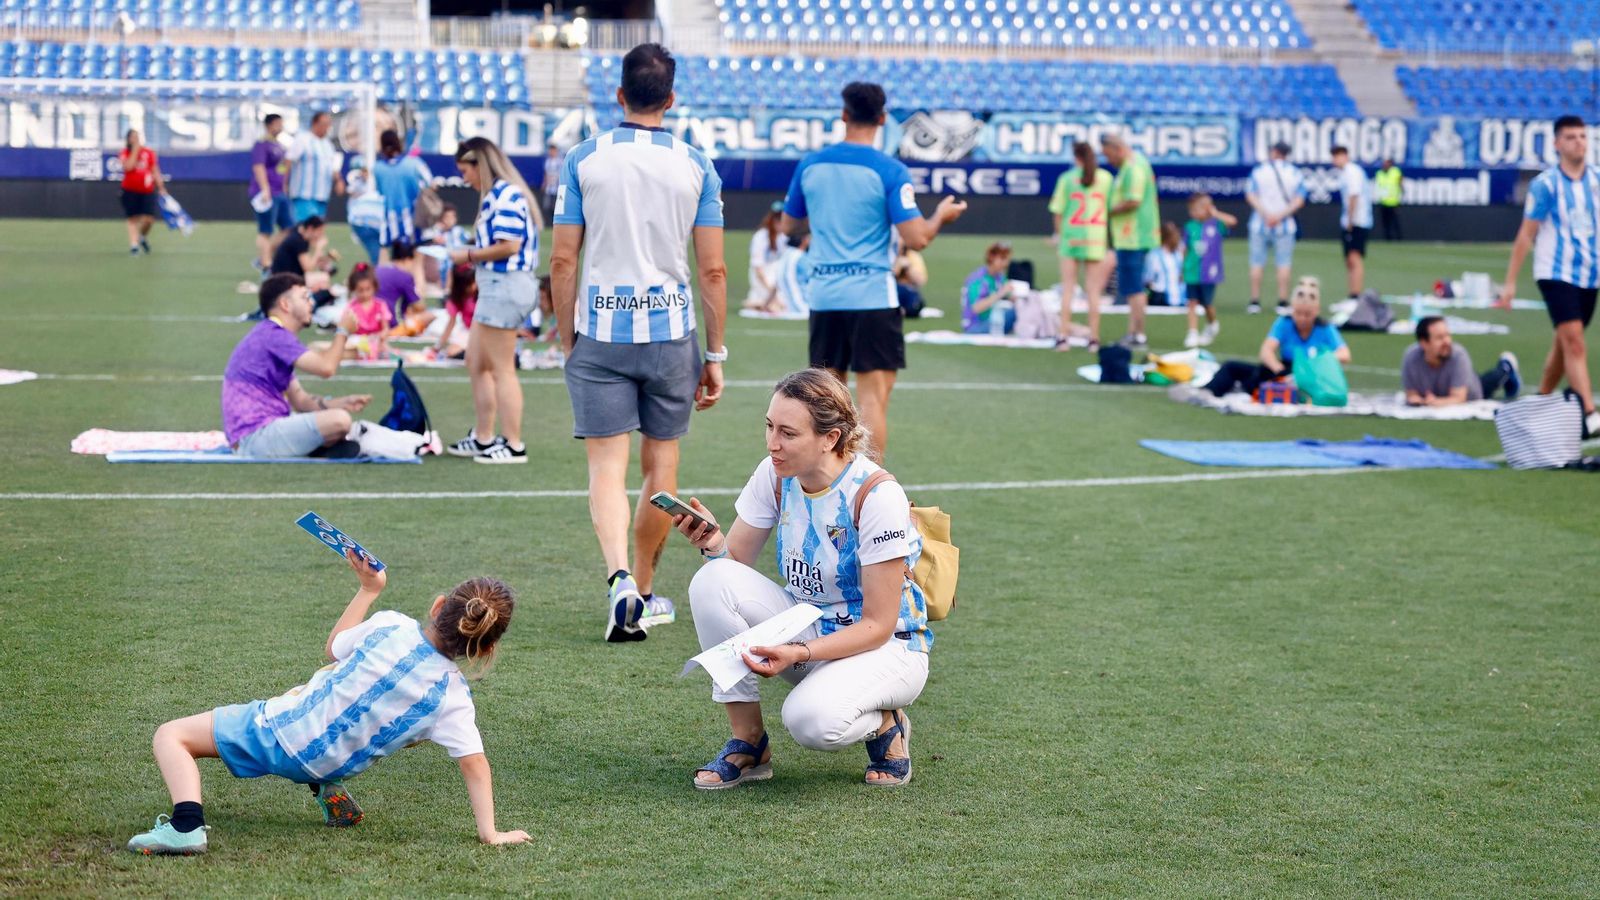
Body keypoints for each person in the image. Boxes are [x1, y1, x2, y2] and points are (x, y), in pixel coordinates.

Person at [124, 550, 529, 854]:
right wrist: (490, 833)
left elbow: (334, 647)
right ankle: (325, 785)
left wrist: (369, 589)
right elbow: (474, 764)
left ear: (438, 606)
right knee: (402, 720)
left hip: (281, 735)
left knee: (171, 735)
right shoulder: (453, 698)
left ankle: (186, 828)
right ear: (485, 648)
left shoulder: (392, 625)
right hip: (337, 761)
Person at [667, 369, 930, 789]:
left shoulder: (877, 495)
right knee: (711, 580)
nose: (773, 443)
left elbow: (879, 625)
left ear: (831, 438)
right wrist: (713, 543)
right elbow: (731, 568)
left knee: (809, 723)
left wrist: (799, 653)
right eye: (770, 427)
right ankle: (748, 742)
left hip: (890, 646)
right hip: (809, 626)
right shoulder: (775, 474)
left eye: (788, 433)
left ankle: (885, 722)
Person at [551, 42, 729, 643]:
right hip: (671, 335)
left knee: (607, 467)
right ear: (671, 100)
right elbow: (712, 272)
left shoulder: (583, 158)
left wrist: (564, 332)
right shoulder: (696, 164)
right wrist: (715, 353)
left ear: (619, 95)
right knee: (662, 467)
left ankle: (618, 579)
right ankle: (648, 592)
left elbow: (561, 258)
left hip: (599, 330)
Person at [781, 80, 966, 460]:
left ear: (844, 115)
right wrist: (941, 217)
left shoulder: (811, 165)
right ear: (882, 119)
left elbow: (789, 226)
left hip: (826, 295)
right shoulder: (890, 170)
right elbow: (916, 238)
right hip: (871, 296)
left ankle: (829, 483)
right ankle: (869, 490)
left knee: (826, 401)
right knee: (872, 401)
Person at [1496, 114, 1600, 436]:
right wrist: (1510, 283)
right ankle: (1589, 413)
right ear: (1556, 144)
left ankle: (1540, 402)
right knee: (1575, 343)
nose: (1578, 142)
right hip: (1555, 272)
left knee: (1564, 344)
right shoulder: (1546, 185)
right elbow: (1526, 235)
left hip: (1589, 273)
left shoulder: (1596, 180)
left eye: (1582, 136)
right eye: (1570, 137)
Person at [446, 136, 542, 464]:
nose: (464, 178)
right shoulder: (497, 196)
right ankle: (484, 436)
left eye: (465, 170)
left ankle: (514, 444)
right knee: (476, 362)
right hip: (497, 286)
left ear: (479, 165)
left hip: (506, 285)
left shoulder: (505, 195)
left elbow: (509, 245)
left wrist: (467, 254)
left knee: (502, 369)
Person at [221, 274, 371, 458]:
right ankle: (318, 447)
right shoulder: (274, 335)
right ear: (285, 304)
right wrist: (343, 331)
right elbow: (326, 368)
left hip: (253, 437)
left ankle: (317, 447)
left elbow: (301, 400)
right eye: (304, 297)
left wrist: (341, 402)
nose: (311, 303)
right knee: (340, 421)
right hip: (254, 439)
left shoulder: (270, 335)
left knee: (338, 418)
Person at [1205, 276, 1349, 397]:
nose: (1302, 319)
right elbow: (1266, 351)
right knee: (1232, 367)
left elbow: (1344, 354)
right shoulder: (1285, 323)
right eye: (1298, 313)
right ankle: (1208, 393)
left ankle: (1245, 389)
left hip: (1312, 375)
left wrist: (1319, 362)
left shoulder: (1325, 328)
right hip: (1283, 370)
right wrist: (1278, 370)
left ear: (1316, 311)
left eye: (1307, 315)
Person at [1048, 140, 1113, 351]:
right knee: (1093, 291)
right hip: (1095, 238)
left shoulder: (1067, 179)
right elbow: (1111, 207)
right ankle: (1093, 338)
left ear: (1076, 158)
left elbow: (1058, 211)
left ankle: (1063, 337)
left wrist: (1059, 235)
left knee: (1068, 288)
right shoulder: (1105, 178)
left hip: (1071, 237)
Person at [1101, 132, 1159, 347]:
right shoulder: (1134, 165)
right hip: (1132, 236)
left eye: (1109, 155)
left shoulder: (1133, 168)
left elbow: (1133, 201)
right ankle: (1133, 331)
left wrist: (1107, 211)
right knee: (1133, 287)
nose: (1109, 161)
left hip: (1133, 236)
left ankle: (1137, 333)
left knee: (1134, 288)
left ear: (1117, 148)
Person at [1245, 141, 1307, 314]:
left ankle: (1255, 301)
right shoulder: (1294, 173)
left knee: (1257, 263)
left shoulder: (1259, 171)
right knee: (1283, 263)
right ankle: (1282, 301)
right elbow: (1299, 200)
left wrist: (1266, 214)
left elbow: (1250, 195)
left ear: (1274, 152)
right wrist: (1280, 215)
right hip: (1285, 224)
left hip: (1260, 223)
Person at [1403, 316, 1521, 406]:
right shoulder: (1411, 357)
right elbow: (1411, 394)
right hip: (1444, 393)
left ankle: (1507, 366)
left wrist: (1435, 402)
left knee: (1493, 379)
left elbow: (1459, 398)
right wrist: (1419, 400)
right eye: (1440, 338)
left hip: (1473, 393)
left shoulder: (1458, 355)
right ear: (1424, 343)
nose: (1447, 341)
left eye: (1447, 335)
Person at [1182, 193, 1237, 348]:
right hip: (1191, 271)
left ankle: (1212, 323)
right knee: (1191, 302)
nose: (1195, 212)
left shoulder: (1216, 225)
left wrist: (1216, 214)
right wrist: (1182, 268)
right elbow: (1185, 249)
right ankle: (1192, 332)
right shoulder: (1189, 227)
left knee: (1207, 303)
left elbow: (1233, 221)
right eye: (1193, 209)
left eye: (1200, 208)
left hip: (1209, 273)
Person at [371, 129, 432, 252]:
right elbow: (430, 183)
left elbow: (379, 191)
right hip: (415, 218)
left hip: (390, 219)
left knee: (392, 258)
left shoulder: (377, 168)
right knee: (416, 257)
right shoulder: (414, 163)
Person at [1330, 146, 1374, 302]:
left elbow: (1353, 196)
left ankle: (1356, 295)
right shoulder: (1347, 172)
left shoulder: (1351, 172)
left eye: (1336, 156)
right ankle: (1352, 293)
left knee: (1355, 257)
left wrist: (1350, 220)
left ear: (1344, 156)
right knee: (1349, 258)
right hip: (1353, 220)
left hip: (1357, 221)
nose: (1334, 160)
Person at [251, 114, 294, 271]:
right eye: (277, 123)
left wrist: (284, 184)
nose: (280, 126)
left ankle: (265, 256)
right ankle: (266, 264)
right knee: (265, 229)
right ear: (269, 125)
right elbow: (258, 166)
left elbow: (282, 167)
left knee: (289, 227)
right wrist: (264, 188)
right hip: (266, 193)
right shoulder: (261, 144)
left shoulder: (280, 145)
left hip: (279, 191)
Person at [286, 110, 345, 223]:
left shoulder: (328, 145)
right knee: (304, 229)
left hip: (322, 195)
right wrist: (283, 183)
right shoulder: (302, 139)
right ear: (315, 123)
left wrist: (339, 181)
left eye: (328, 125)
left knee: (317, 231)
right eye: (324, 124)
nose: (327, 128)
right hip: (304, 195)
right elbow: (288, 161)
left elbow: (333, 168)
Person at [118, 128, 164, 256]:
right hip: (129, 190)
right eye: (133, 137)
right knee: (132, 218)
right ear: (128, 139)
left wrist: (161, 187)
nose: (136, 139)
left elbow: (155, 170)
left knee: (148, 219)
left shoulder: (149, 153)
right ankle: (134, 245)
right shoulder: (125, 153)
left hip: (147, 190)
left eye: (137, 136)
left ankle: (142, 237)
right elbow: (128, 167)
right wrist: (135, 150)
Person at [961, 242, 1016, 334]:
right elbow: (976, 308)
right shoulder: (977, 279)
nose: (1005, 263)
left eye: (1007, 259)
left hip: (993, 320)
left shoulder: (999, 277)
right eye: (1002, 259)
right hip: (975, 326)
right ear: (991, 258)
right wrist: (1000, 293)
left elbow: (1008, 296)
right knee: (1015, 313)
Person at [743, 203, 790, 311]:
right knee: (776, 302)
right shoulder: (761, 237)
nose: (779, 222)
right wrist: (771, 291)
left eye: (782, 219)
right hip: (763, 277)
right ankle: (763, 303)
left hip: (777, 276)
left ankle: (764, 304)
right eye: (777, 219)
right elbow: (758, 269)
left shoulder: (783, 237)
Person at [342, 264, 392, 361]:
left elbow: (386, 328)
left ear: (374, 287)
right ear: (354, 289)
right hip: (357, 340)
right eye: (360, 290)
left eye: (368, 289)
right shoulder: (351, 307)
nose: (365, 294)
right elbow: (346, 328)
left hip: (376, 341)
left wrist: (381, 336)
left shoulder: (380, 305)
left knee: (383, 349)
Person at [430, 262, 477, 361]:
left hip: (484, 330)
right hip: (468, 331)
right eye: (469, 284)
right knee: (451, 351)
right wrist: (437, 346)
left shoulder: (482, 294)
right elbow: (451, 323)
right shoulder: (457, 298)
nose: (473, 286)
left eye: (474, 282)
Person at [270, 216, 336, 280]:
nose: (321, 235)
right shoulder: (298, 241)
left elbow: (307, 259)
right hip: (285, 280)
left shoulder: (300, 234)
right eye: (320, 231)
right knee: (322, 281)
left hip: (287, 276)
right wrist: (318, 249)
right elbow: (308, 268)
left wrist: (321, 260)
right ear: (310, 228)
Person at [344, 164, 386, 265]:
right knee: (376, 253)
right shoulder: (357, 182)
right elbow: (349, 191)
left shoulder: (370, 184)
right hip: (359, 213)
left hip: (371, 218)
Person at [1144, 222, 1183, 307]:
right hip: (1160, 296)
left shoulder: (1179, 254)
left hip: (1179, 296)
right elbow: (1147, 279)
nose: (1178, 238)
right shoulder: (1154, 255)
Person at [891, 243, 925, 317]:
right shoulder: (887, 254)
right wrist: (897, 268)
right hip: (890, 290)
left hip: (906, 291)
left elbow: (920, 281)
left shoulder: (912, 255)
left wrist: (908, 268)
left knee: (915, 303)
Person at [1375, 158, 1403, 241]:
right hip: (1383, 202)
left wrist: (1401, 194)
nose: (1384, 165)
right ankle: (1388, 238)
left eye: (1386, 164)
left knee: (1395, 222)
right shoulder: (1379, 173)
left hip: (1394, 202)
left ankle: (1399, 238)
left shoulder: (1396, 172)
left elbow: (1400, 183)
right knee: (1385, 222)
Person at [540, 142, 562, 227]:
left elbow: (561, 174)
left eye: (553, 150)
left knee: (556, 206)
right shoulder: (548, 161)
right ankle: (550, 223)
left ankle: (556, 223)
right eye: (550, 150)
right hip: (549, 188)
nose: (551, 152)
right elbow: (546, 174)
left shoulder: (559, 161)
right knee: (547, 206)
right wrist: (544, 184)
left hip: (557, 188)